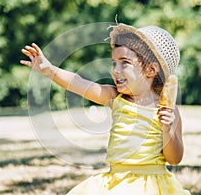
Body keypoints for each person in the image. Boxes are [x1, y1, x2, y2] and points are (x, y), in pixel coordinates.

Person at [20, 23, 190, 194]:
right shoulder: (115, 97)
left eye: (124, 63)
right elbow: (79, 83)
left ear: (151, 69)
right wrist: (50, 70)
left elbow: (174, 158)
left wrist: (167, 129)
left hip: (153, 185)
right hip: (117, 182)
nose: (115, 71)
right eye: (114, 63)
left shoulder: (168, 110)